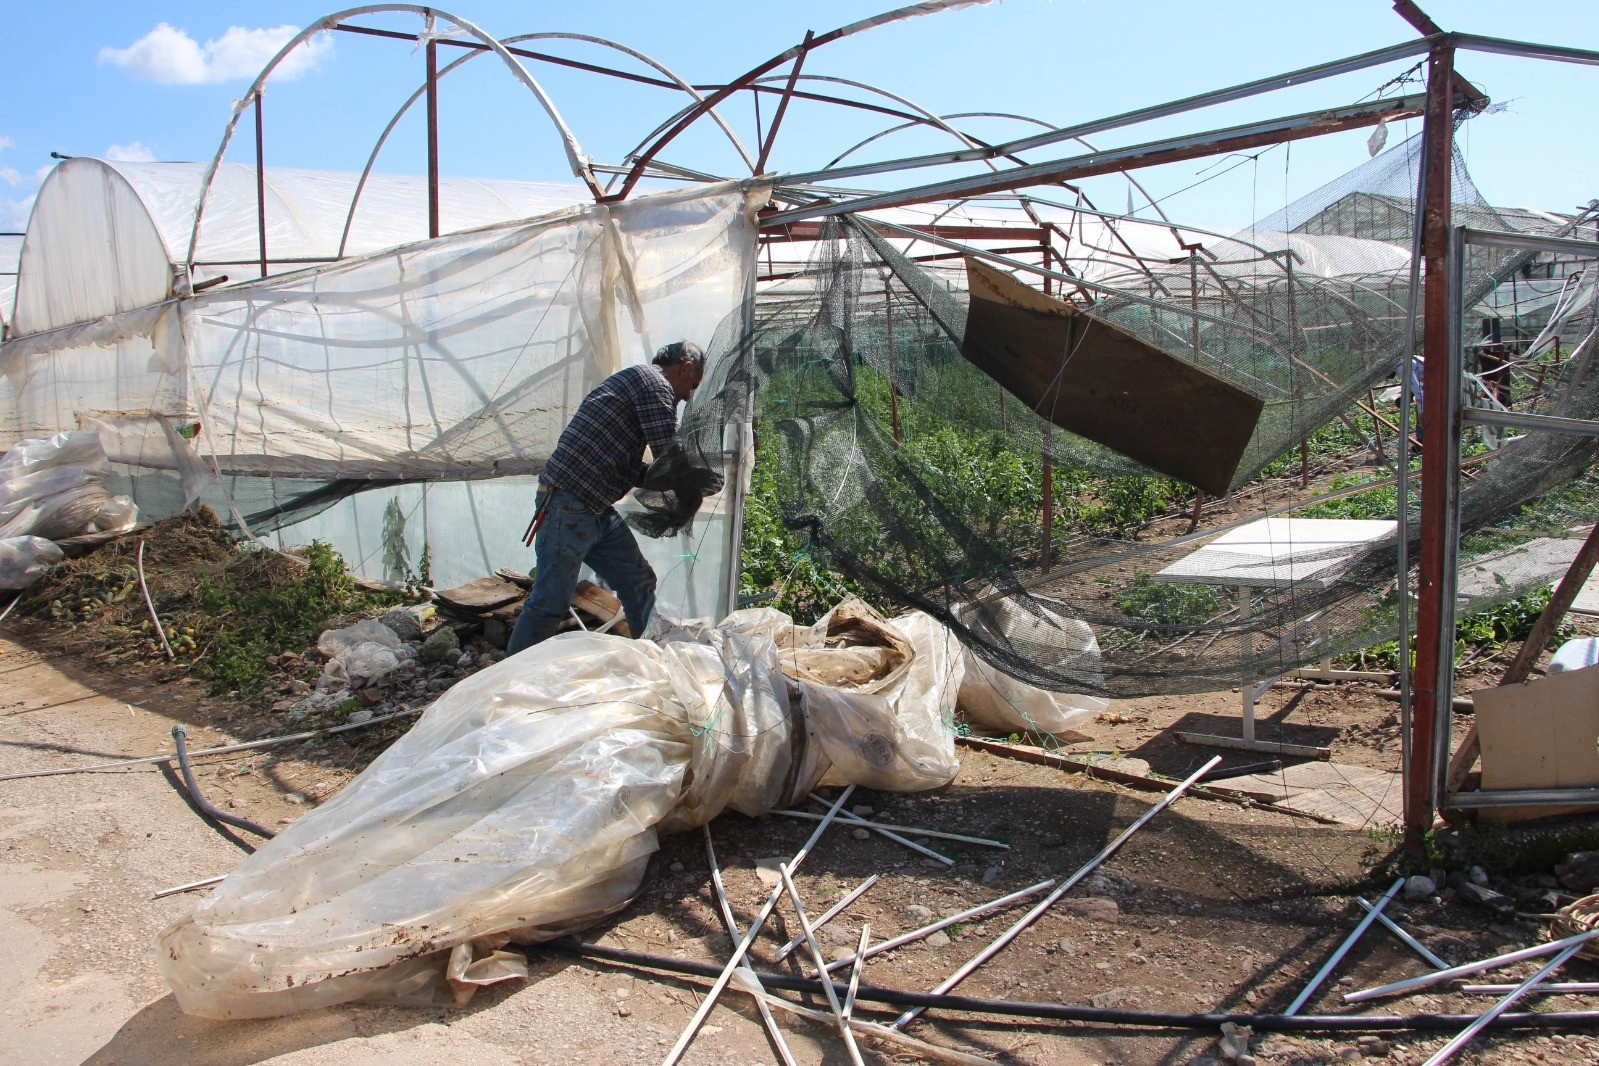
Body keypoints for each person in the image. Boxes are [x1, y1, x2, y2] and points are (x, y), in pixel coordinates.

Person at [505, 341, 706, 655]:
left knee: (639, 580)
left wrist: (683, 478)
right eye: (691, 387)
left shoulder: (636, 384)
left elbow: (630, 467)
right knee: (549, 603)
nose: (687, 397)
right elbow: (669, 450)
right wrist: (690, 489)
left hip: (593, 508)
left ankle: (653, 659)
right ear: (686, 368)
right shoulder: (654, 384)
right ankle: (507, 685)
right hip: (568, 504)